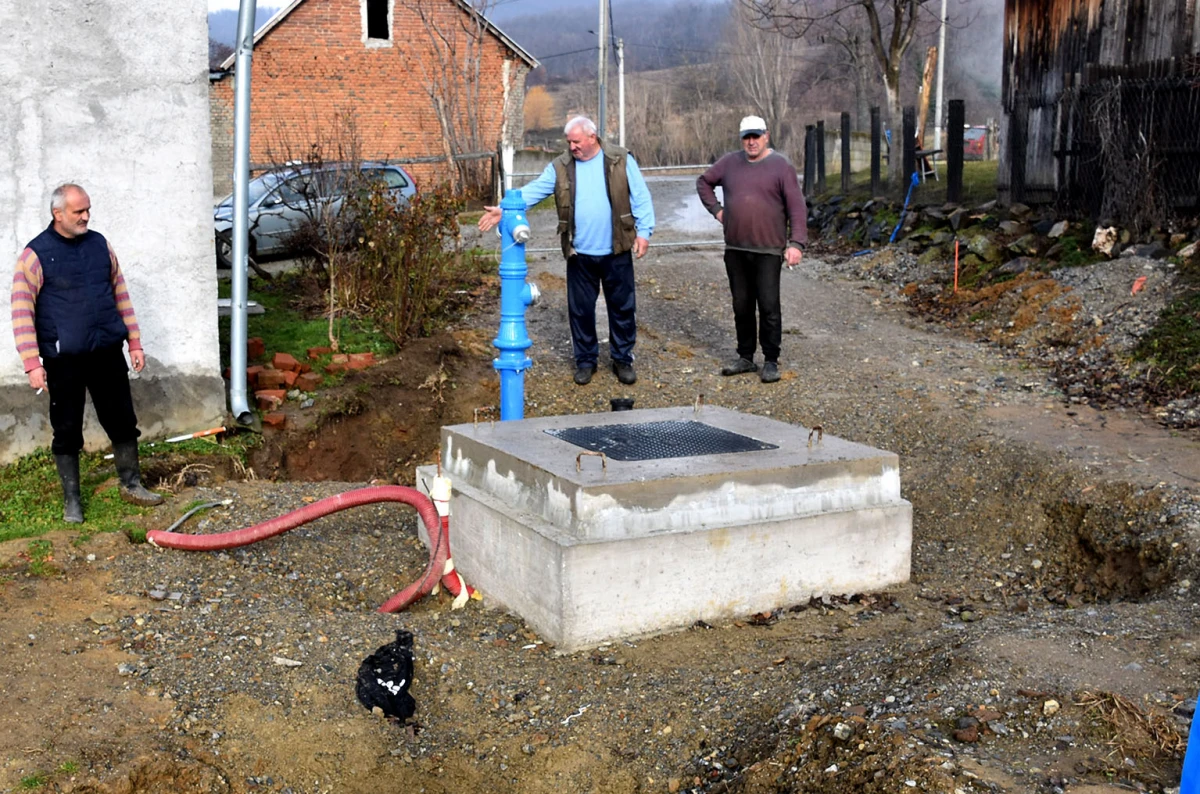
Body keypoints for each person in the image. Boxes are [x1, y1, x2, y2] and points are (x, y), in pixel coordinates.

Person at [10, 183, 164, 523]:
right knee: (66, 430)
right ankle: (73, 501)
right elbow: (22, 311)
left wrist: (133, 341)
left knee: (123, 421)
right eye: (79, 211)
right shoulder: (35, 255)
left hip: (106, 350)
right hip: (63, 359)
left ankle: (131, 484)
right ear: (58, 213)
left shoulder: (99, 245)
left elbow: (119, 292)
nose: (86, 216)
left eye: (87, 209)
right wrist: (32, 363)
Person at [479, 116, 655, 386]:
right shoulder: (561, 166)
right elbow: (536, 190)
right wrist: (506, 208)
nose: (572, 147)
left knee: (621, 308)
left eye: (576, 141)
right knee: (581, 310)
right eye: (569, 142)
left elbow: (640, 197)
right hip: (579, 253)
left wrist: (644, 232)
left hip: (616, 250)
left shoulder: (620, 160)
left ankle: (622, 359)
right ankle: (585, 360)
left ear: (592, 137)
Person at [696, 115, 808, 384]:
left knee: (769, 306)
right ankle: (745, 356)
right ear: (741, 139)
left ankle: (770, 360)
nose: (751, 142)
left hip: (768, 249)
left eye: (756, 136)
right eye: (746, 137)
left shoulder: (781, 166)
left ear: (766, 136)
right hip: (736, 247)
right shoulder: (729, 163)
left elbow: (797, 207)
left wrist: (796, 243)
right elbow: (703, 182)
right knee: (742, 305)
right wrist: (718, 211)